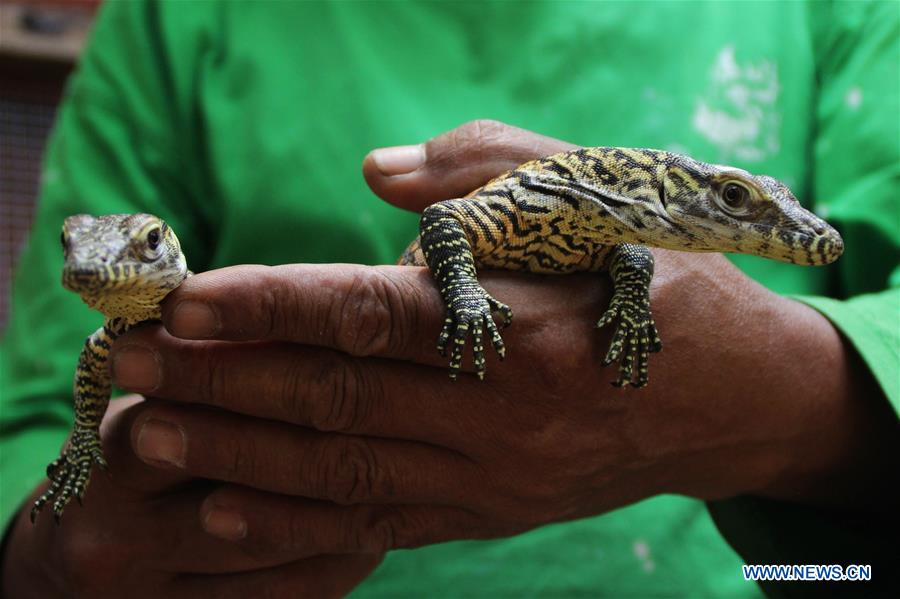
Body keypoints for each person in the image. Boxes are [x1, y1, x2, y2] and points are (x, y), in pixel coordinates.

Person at [1, 1, 897, 597]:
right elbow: (37, 418)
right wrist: (50, 555)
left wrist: (783, 406)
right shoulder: (174, 18)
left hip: (782, 569)